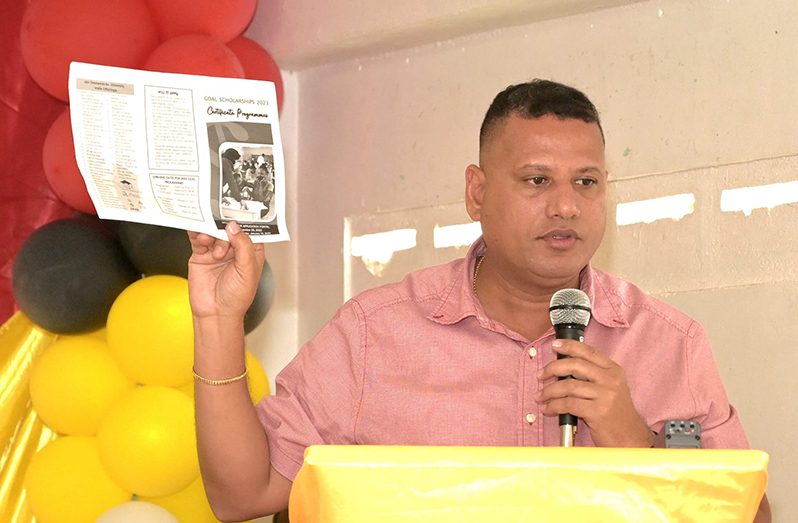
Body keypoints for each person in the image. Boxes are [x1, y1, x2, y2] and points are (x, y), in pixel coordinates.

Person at [188, 79, 770, 521]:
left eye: (587, 182)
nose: (566, 206)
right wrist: (218, 320)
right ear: (477, 191)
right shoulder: (374, 334)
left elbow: (751, 513)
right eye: (537, 180)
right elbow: (243, 493)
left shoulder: (668, 340)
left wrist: (638, 445)